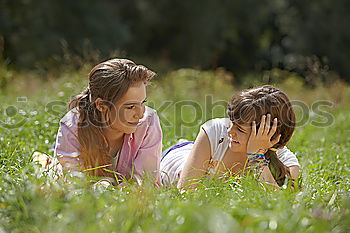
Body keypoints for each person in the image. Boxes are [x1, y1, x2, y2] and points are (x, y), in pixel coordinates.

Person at [160, 85, 300, 189]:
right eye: (231, 123)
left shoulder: (286, 162)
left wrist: (256, 156)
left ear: (268, 133)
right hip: (177, 156)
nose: (230, 131)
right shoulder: (214, 130)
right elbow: (185, 191)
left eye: (239, 129)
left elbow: (278, 205)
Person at [53, 58, 162, 185]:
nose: (140, 113)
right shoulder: (72, 126)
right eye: (130, 107)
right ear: (101, 105)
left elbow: (145, 183)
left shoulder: (148, 122)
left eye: (142, 103)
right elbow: (72, 183)